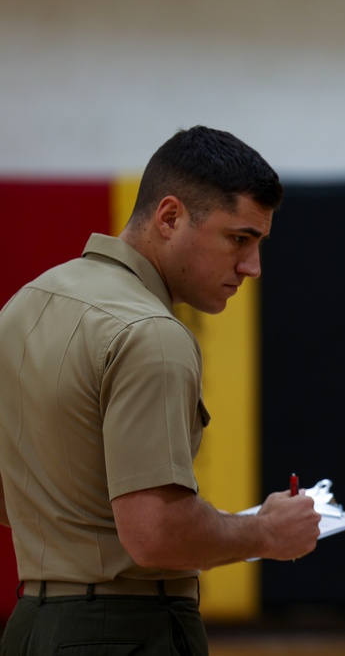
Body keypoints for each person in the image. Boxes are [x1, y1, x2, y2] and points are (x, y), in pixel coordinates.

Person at [0, 126, 321, 655]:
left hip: (30, 629)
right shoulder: (152, 334)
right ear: (169, 217)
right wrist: (265, 532)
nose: (252, 267)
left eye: (258, 243)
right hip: (126, 632)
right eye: (238, 239)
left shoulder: (26, 305)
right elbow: (156, 534)